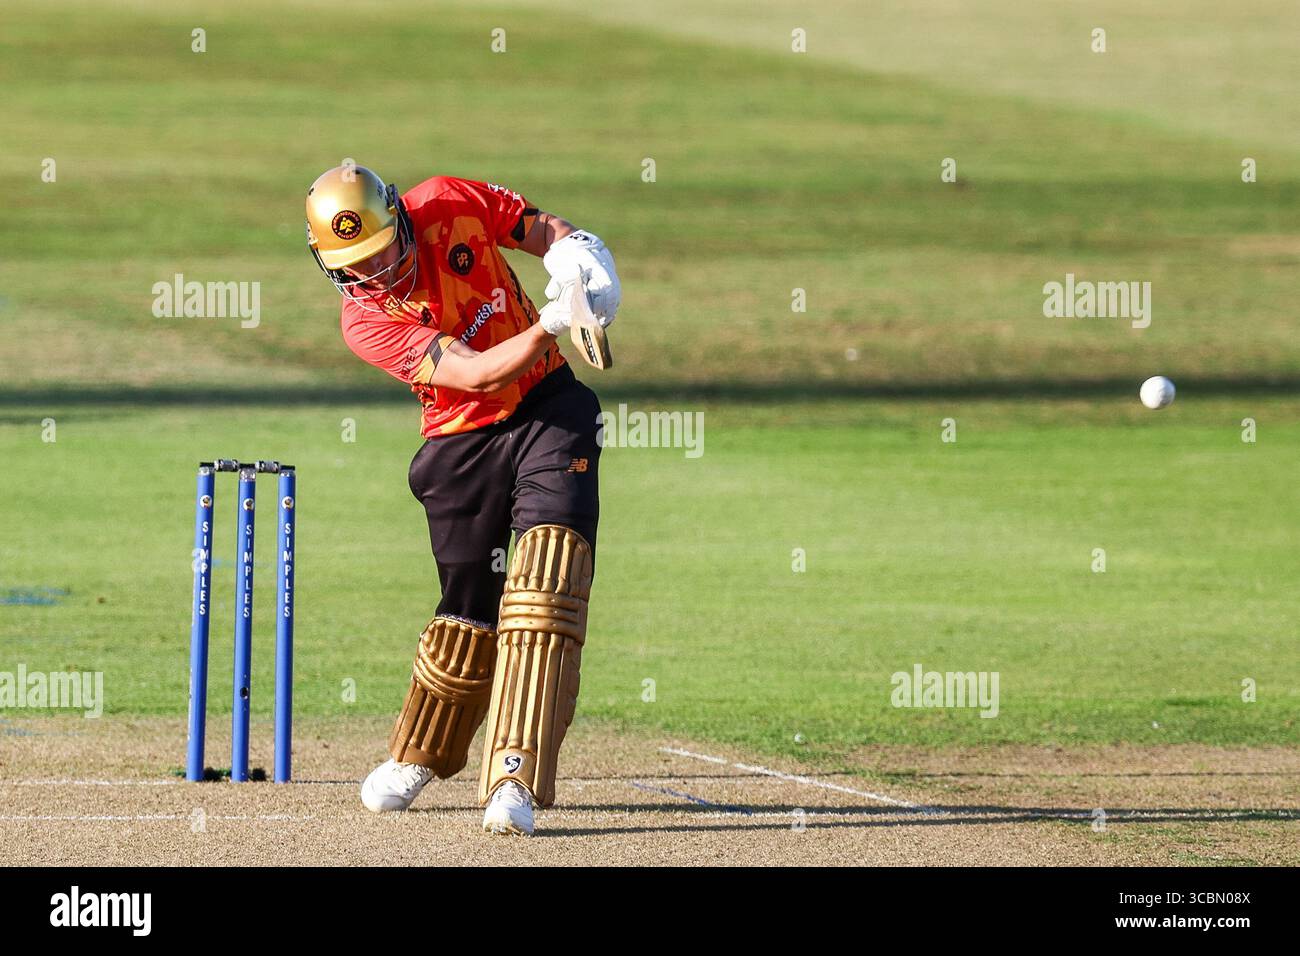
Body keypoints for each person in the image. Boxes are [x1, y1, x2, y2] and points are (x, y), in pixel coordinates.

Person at [304, 164, 619, 835]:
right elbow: (473, 375)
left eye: (383, 252)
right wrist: (556, 319)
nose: (376, 275)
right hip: (461, 442)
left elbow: (539, 230)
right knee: (467, 615)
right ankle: (422, 754)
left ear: (401, 220)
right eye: (355, 267)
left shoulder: (448, 200)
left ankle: (515, 775)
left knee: (547, 581)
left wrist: (579, 255)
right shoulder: (365, 322)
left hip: (548, 406)